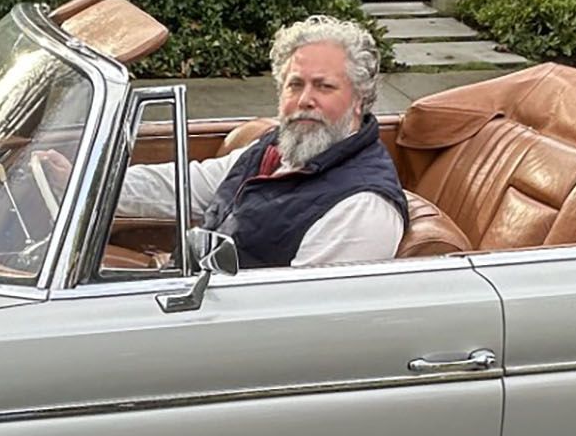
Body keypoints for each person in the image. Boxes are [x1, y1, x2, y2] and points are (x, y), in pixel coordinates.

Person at [115, 15, 406, 268]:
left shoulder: (361, 207)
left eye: (324, 86)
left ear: (359, 100)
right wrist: (87, 183)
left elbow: (294, 315)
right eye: (295, 85)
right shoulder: (277, 147)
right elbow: (185, 184)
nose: (305, 100)